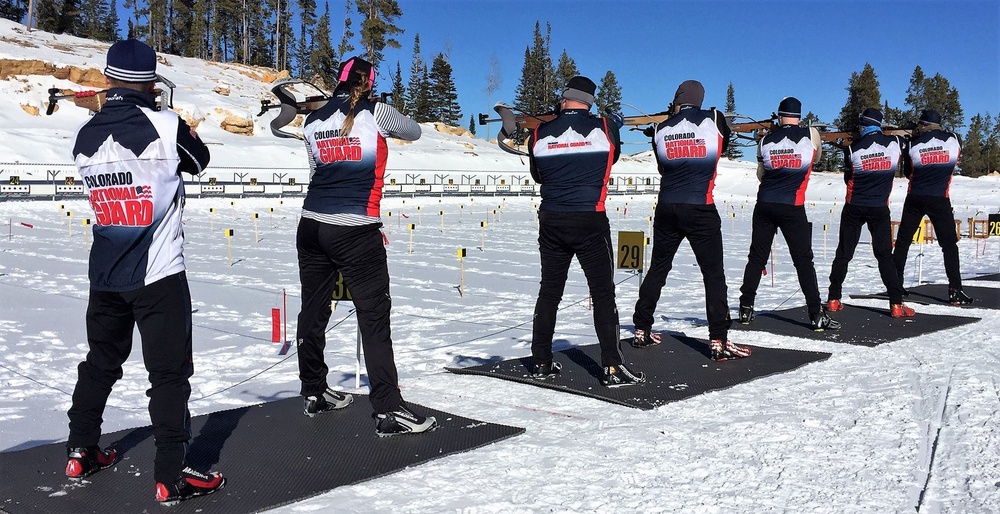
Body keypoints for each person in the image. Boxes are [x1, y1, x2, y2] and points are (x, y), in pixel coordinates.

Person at [66, 39, 225, 505]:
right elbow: (201, 161)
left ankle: (81, 449)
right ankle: (170, 475)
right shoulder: (167, 125)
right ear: (151, 81)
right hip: (157, 273)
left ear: (109, 77)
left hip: (106, 274)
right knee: (169, 376)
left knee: (99, 364)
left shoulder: (85, 133)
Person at [296, 56, 436, 436]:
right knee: (374, 318)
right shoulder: (377, 112)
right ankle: (389, 408)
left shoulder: (312, 119)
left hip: (311, 224)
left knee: (312, 309)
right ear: (369, 83)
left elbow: (316, 172)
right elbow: (415, 131)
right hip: (356, 229)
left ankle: (313, 390)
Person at [526, 76, 645, 387]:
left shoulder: (539, 132)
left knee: (549, 291)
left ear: (565, 97)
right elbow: (613, 155)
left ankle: (540, 359)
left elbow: (537, 175)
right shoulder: (605, 128)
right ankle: (612, 366)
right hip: (589, 217)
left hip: (551, 218)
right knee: (603, 293)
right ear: (589, 100)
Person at [631, 80, 752, 362]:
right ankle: (718, 339)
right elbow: (725, 141)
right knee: (713, 274)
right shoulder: (713, 118)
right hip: (700, 206)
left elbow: (662, 167)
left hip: (667, 205)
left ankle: (641, 327)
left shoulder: (661, 128)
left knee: (658, 269)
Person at [738, 97, 840, 331]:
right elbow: (816, 158)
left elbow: (761, 174)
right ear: (799, 117)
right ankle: (816, 314)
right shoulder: (810, 134)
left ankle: (745, 308)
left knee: (756, 257)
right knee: (803, 260)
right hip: (792, 205)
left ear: (779, 115)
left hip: (764, 202)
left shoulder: (765, 140)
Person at [827, 108, 915, 317]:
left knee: (844, 253)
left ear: (862, 125)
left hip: (854, 206)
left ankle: (833, 298)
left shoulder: (852, 150)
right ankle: (895, 304)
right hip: (879, 207)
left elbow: (848, 178)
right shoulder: (894, 143)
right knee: (885, 255)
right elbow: (906, 139)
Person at [892, 109, 974, 305]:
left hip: (916, 197)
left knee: (903, 241)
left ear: (923, 125)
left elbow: (908, 172)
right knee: (949, 245)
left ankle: (895, 285)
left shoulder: (912, 144)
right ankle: (955, 288)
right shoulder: (954, 139)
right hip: (940, 198)